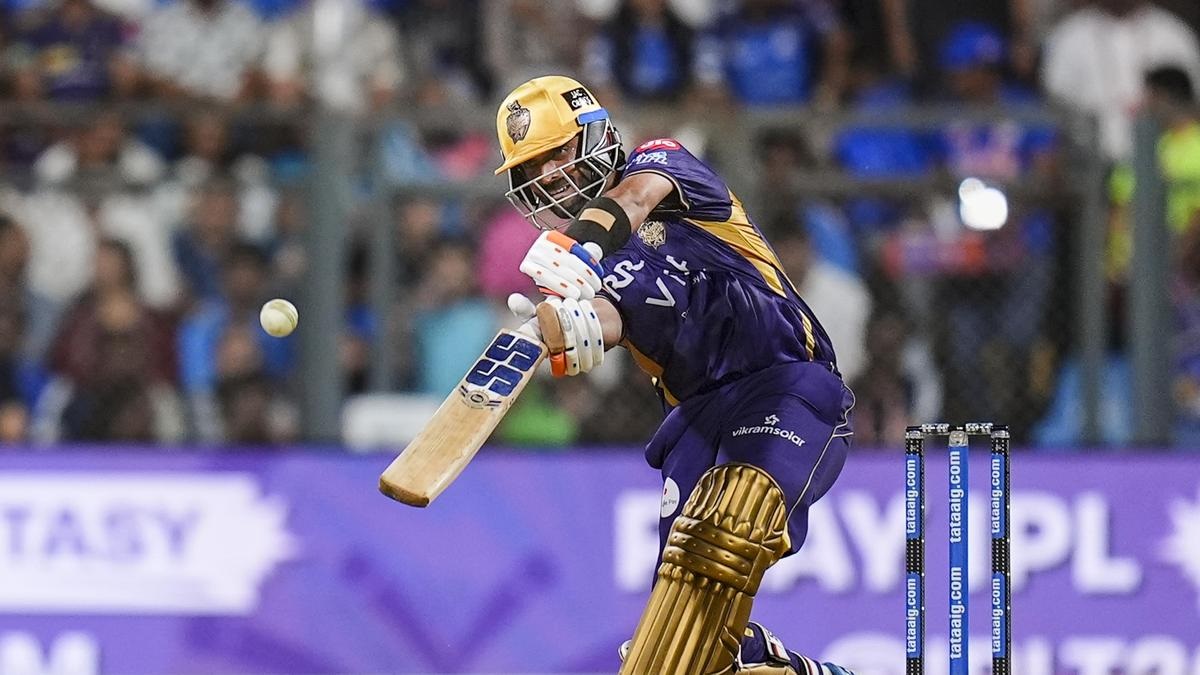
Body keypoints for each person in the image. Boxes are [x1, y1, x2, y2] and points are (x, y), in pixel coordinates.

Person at [494, 75, 855, 675]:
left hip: (784, 382)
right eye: (533, 170)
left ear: (595, 136)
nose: (550, 177)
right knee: (684, 647)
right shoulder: (592, 272)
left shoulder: (663, 163)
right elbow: (613, 317)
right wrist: (561, 328)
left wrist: (580, 245)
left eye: (557, 155)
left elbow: (633, 200)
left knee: (732, 523)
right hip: (694, 423)